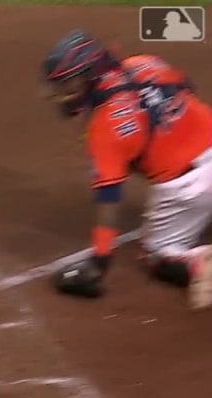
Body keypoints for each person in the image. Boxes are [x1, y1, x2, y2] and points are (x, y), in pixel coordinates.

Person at [41, 29, 212, 307]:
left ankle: (201, 265)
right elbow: (188, 88)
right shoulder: (145, 62)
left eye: (68, 84)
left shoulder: (103, 129)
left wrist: (100, 259)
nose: (62, 94)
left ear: (90, 76)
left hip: (188, 188)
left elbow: (109, 197)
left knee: (156, 256)